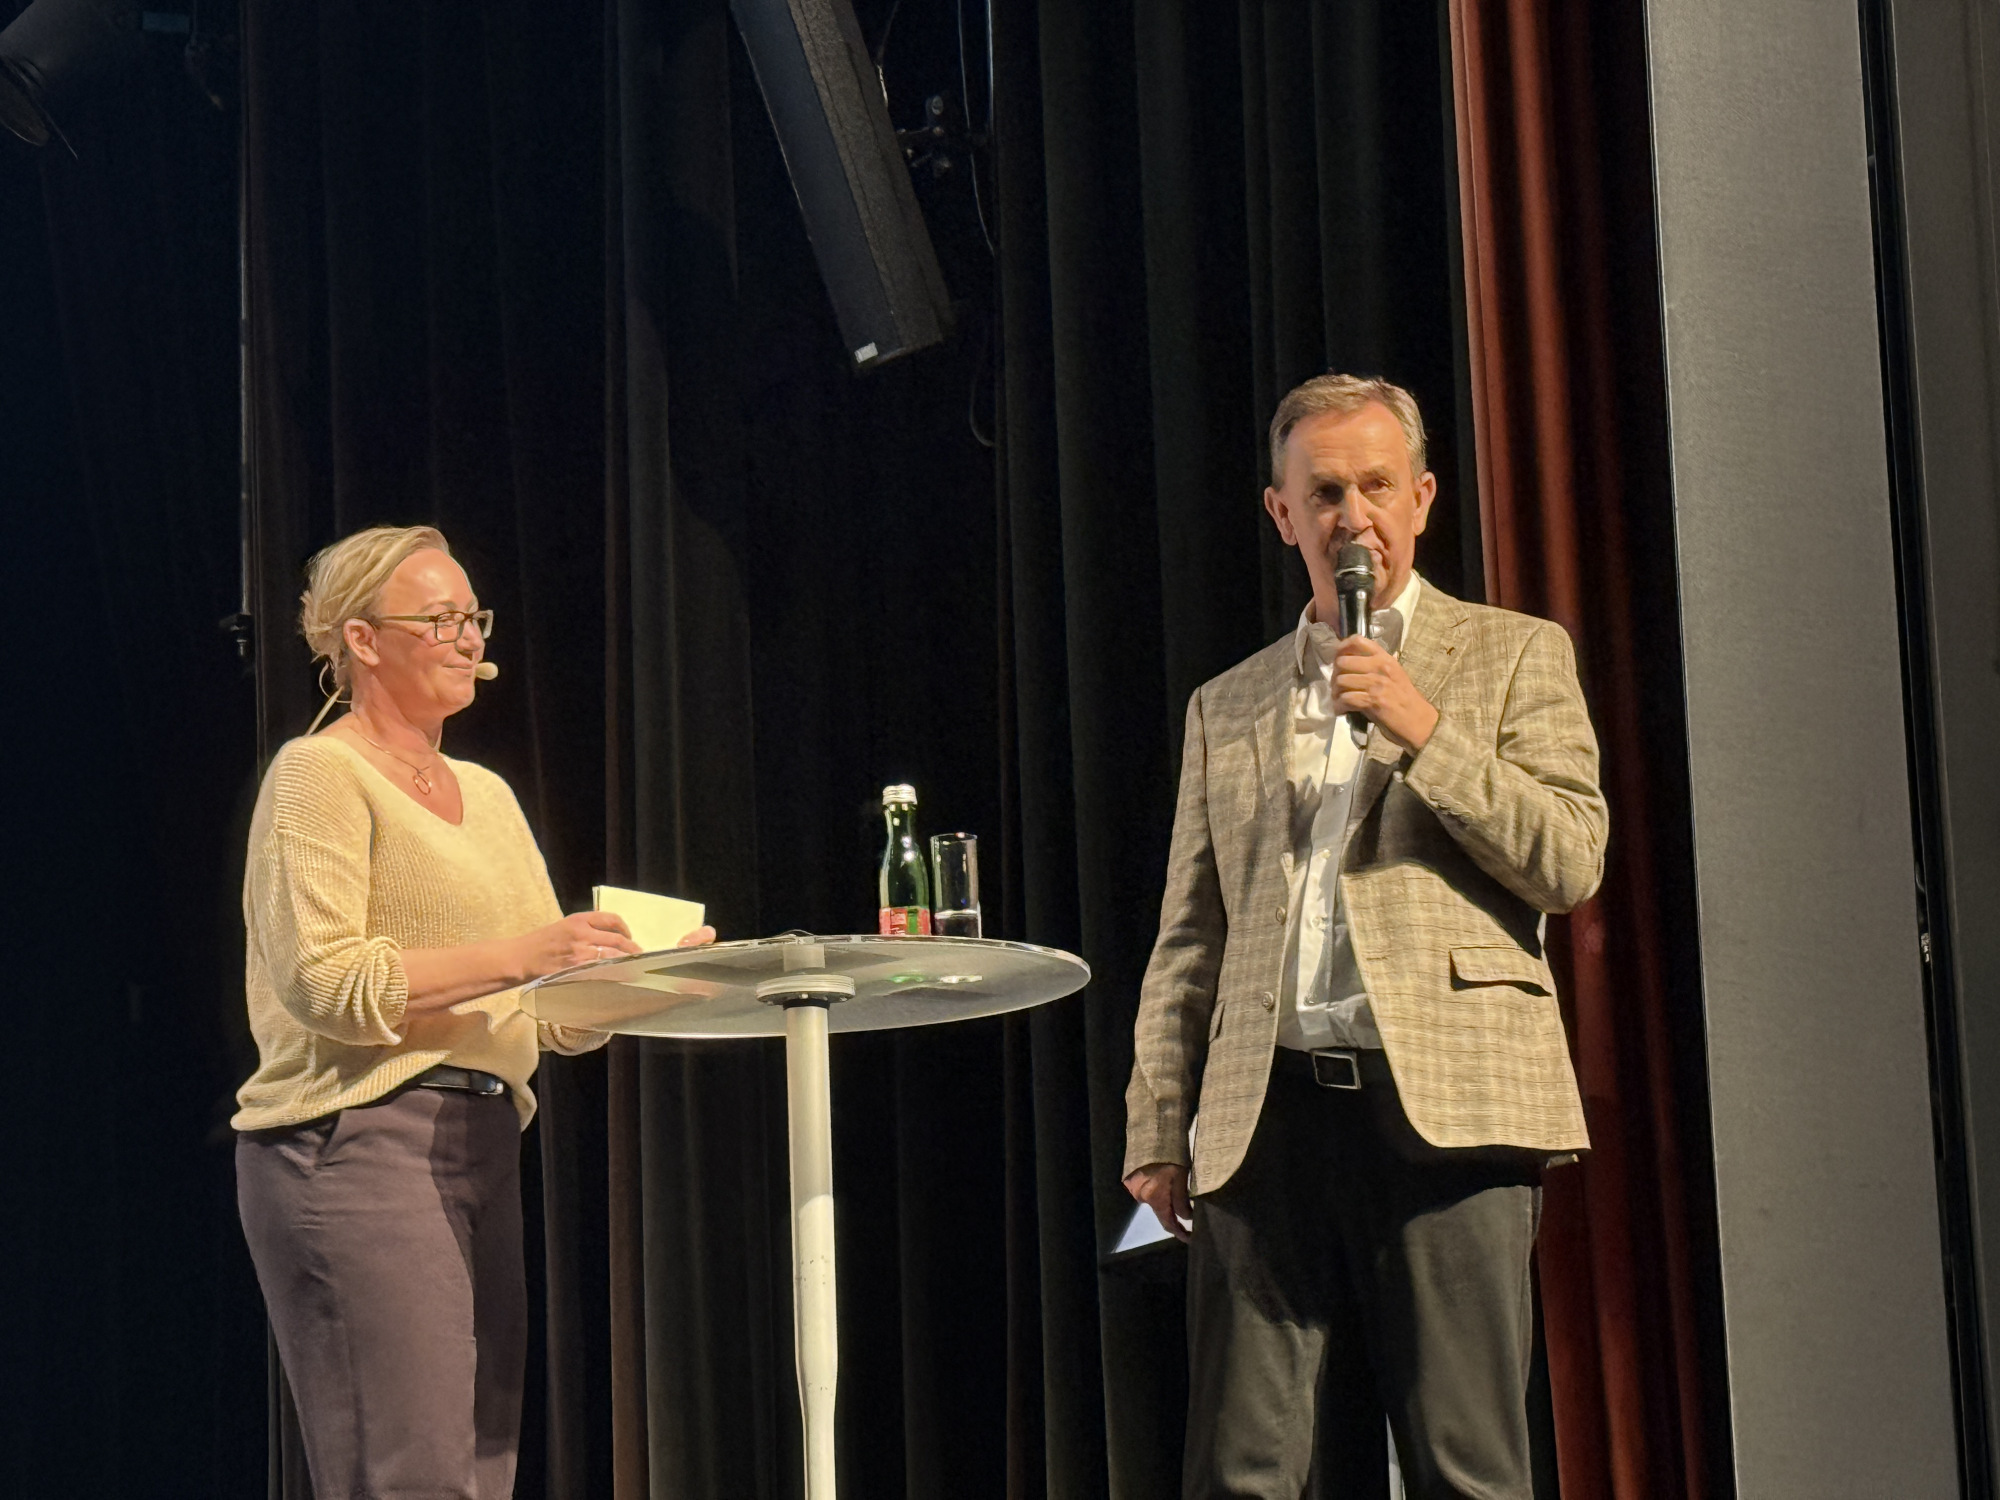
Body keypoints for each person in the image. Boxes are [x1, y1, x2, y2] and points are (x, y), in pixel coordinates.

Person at [1123, 375, 1608, 1499]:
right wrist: (1157, 1120)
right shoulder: (1227, 705)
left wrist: (1420, 726)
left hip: (1447, 1105)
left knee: (1463, 1469)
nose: (1356, 518)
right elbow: (1188, 934)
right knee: (1237, 1473)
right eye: (1327, 493)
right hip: (1266, 1115)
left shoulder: (1512, 654)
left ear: (1423, 498)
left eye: (1378, 486)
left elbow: (1568, 860)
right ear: (1281, 513)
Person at [233, 525, 715, 1499]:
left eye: (473, 618)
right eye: (439, 619)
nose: (467, 638)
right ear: (361, 639)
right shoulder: (318, 774)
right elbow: (326, 984)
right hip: (358, 1137)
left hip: (484, 1137)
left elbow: (551, 1014)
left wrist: (642, 976)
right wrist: (527, 955)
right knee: (411, 1475)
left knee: (480, 1473)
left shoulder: (488, 796)